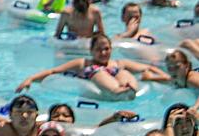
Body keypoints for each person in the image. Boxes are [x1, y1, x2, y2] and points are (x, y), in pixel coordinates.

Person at [16, 34, 167, 101]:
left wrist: (165, 77)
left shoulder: (118, 63)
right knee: (98, 71)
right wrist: (30, 79)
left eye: (107, 49)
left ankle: (128, 89)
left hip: (124, 84)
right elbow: (54, 72)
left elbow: (148, 68)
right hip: (104, 84)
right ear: (91, 51)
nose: (103, 53)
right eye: (99, 50)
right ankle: (117, 91)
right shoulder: (83, 63)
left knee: (124, 71)